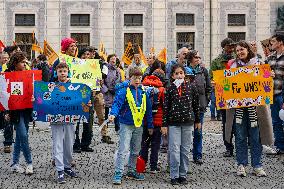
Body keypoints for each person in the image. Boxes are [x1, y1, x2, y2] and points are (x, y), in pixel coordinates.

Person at [226, 40, 269, 177]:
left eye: (242, 50)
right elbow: (227, 84)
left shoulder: (258, 63)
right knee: (239, 136)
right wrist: (220, 84)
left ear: (248, 49)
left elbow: (266, 80)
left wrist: (270, 76)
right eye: (237, 51)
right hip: (239, 108)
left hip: (255, 107)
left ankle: (257, 165)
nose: (239, 52)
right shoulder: (232, 65)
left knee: (256, 137)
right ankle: (241, 164)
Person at [109, 67, 154, 185]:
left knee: (136, 150)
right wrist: (113, 114)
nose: (138, 80)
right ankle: (118, 172)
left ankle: (131, 170)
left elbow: (148, 110)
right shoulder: (124, 91)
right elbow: (117, 104)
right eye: (135, 78)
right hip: (126, 125)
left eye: (140, 78)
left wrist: (150, 125)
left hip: (139, 125)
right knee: (123, 149)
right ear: (130, 78)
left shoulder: (144, 92)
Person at [50, 62, 91, 183]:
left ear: (68, 72)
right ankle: (60, 170)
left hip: (70, 119)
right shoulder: (51, 86)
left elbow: (81, 100)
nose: (62, 73)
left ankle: (67, 166)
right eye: (60, 71)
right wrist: (36, 100)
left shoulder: (75, 86)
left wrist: (87, 103)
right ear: (56, 73)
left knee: (69, 143)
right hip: (56, 119)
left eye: (64, 71)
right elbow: (45, 99)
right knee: (57, 144)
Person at [163, 64, 200, 185]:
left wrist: (198, 120)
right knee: (174, 149)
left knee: (185, 150)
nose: (179, 75)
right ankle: (174, 175)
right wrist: (164, 124)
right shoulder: (170, 88)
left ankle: (183, 174)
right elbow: (166, 107)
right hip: (174, 123)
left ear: (184, 74)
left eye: (181, 73)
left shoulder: (191, 87)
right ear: (172, 76)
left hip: (188, 122)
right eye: (176, 73)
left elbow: (196, 105)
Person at [4, 52, 33, 174]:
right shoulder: (7, 75)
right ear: (15, 63)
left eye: (26, 62)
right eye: (23, 62)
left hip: (26, 109)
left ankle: (15, 163)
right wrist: (6, 111)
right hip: (15, 111)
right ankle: (29, 163)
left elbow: (32, 90)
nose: (25, 64)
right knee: (23, 135)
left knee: (21, 137)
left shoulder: (28, 75)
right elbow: (3, 95)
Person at [209, 38, 236, 157]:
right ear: (224, 47)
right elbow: (211, 77)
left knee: (239, 122)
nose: (231, 49)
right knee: (226, 123)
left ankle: (242, 145)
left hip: (238, 96)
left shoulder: (238, 59)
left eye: (232, 46)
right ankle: (228, 147)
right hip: (224, 97)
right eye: (229, 46)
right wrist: (213, 82)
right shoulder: (216, 61)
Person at [186, 50, 212, 165]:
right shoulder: (184, 70)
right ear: (190, 58)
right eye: (196, 57)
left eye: (199, 57)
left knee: (198, 131)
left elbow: (208, 87)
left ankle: (197, 155)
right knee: (185, 132)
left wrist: (206, 101)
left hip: (200, 106)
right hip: (186, 107)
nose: (198, 59)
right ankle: (185, 155)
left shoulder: (203, 71)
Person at [140, 68, 166, 173]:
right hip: (157, 121)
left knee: (144, 144)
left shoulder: (143, 86)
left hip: (144, 121)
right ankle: (153, 166)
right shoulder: (161, 89)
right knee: (155, 145)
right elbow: (164, 106)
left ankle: (142, 165)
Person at [73, 48, 95, 153]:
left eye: (89, 55)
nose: (88, 56)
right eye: (86, 54)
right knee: (76, 120)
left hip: (89, 95)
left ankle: (85, 144)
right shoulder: (76, 65)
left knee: (89, 120)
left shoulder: (93, 67)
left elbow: (96, 82)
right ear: (81, 56)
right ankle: (76, 144)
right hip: (77, 95)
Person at [267, 34, 284, 154]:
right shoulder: (270, 57)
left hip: (282, 94)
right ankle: (280, 147)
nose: (271, 44)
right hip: (272, 95)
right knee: (276, 122)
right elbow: (262, 73)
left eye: (273, 41)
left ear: (280, 42)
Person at [101, 54, 121, 144]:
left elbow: (119, 81)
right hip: (106, 94)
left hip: (114, 94)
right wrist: (106, 90)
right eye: (112, 58)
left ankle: (118, 128)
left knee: (115, 111)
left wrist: (116, 88)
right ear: (109, 60)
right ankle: (105, 134)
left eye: (115, 59)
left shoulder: (117, 70)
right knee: (105, 114)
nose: (114, 60)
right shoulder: (105, 69)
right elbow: (101, 81)